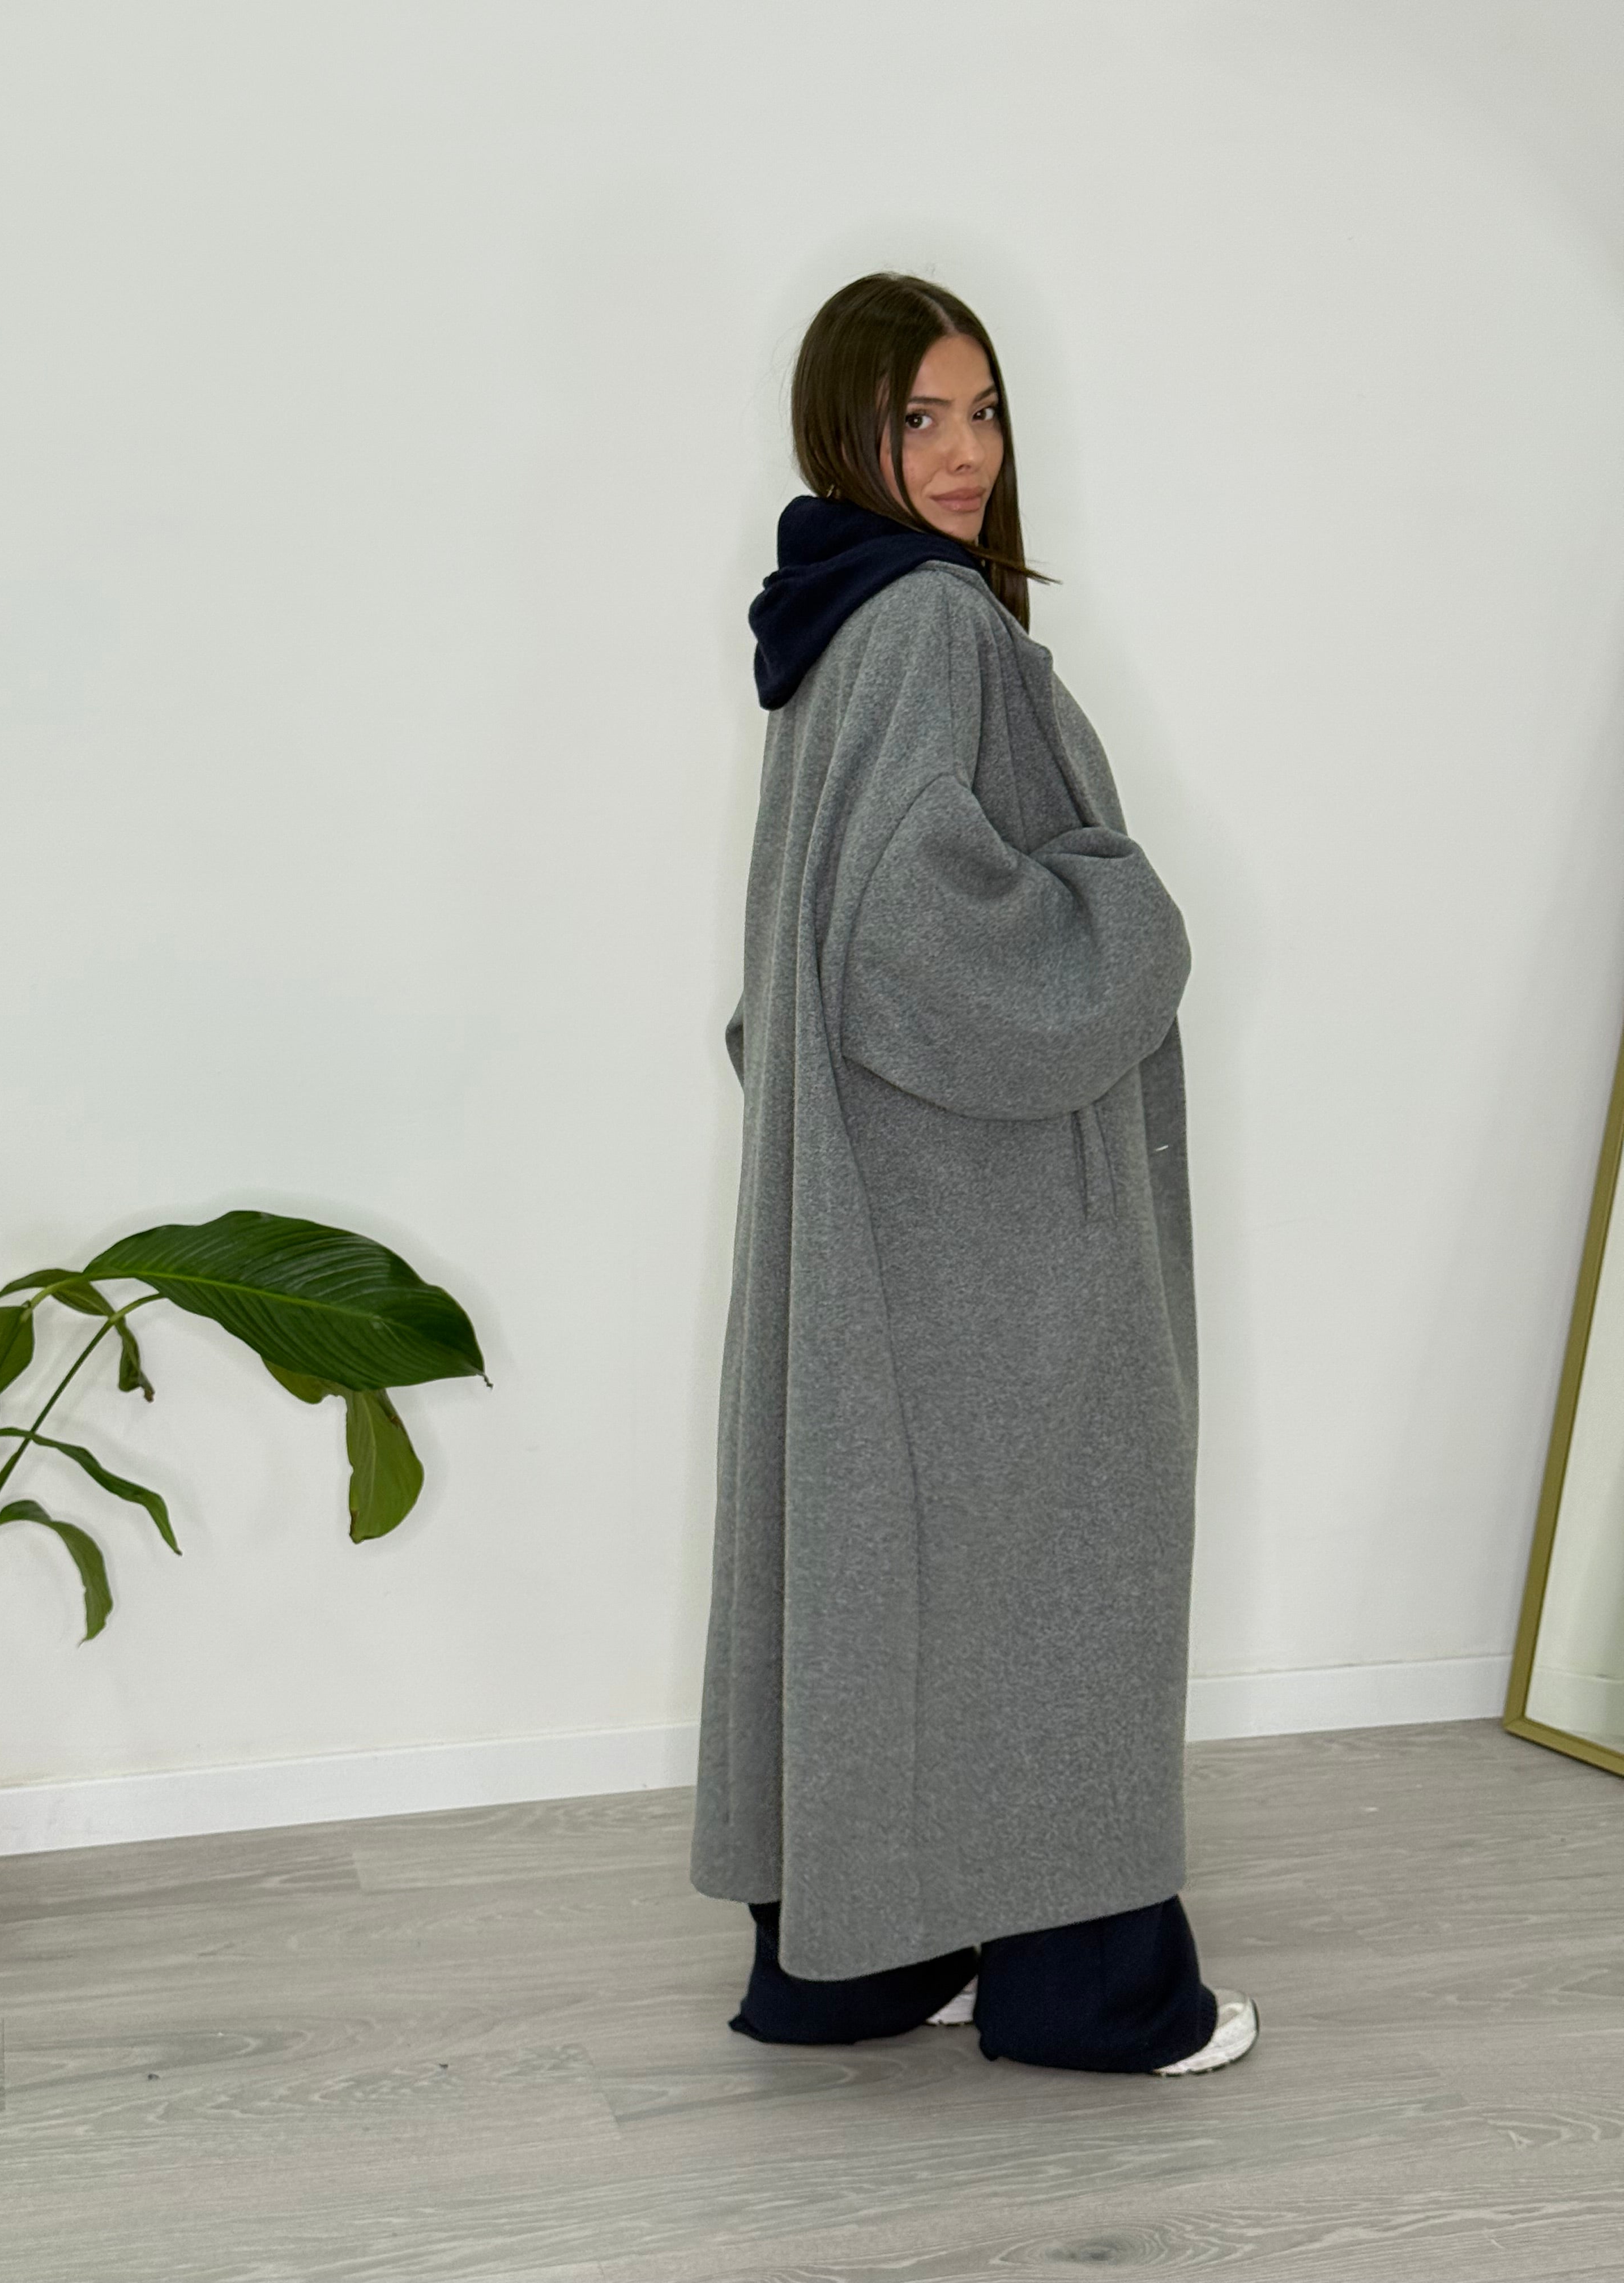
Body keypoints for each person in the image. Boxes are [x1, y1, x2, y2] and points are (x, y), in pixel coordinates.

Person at [689, 272, 1257, 2076]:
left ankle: (875, 1956)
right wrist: (1125, 913)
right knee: (1063, 1569)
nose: (962, 454)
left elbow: (813, 942)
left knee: (905, 1573)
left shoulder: (838, 624)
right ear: (840, 432)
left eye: (984, 411)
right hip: (982, 1211)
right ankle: (1095, 1993)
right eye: (917, 418)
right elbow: (907, 937)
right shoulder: (934, 623)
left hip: (893, 1196)